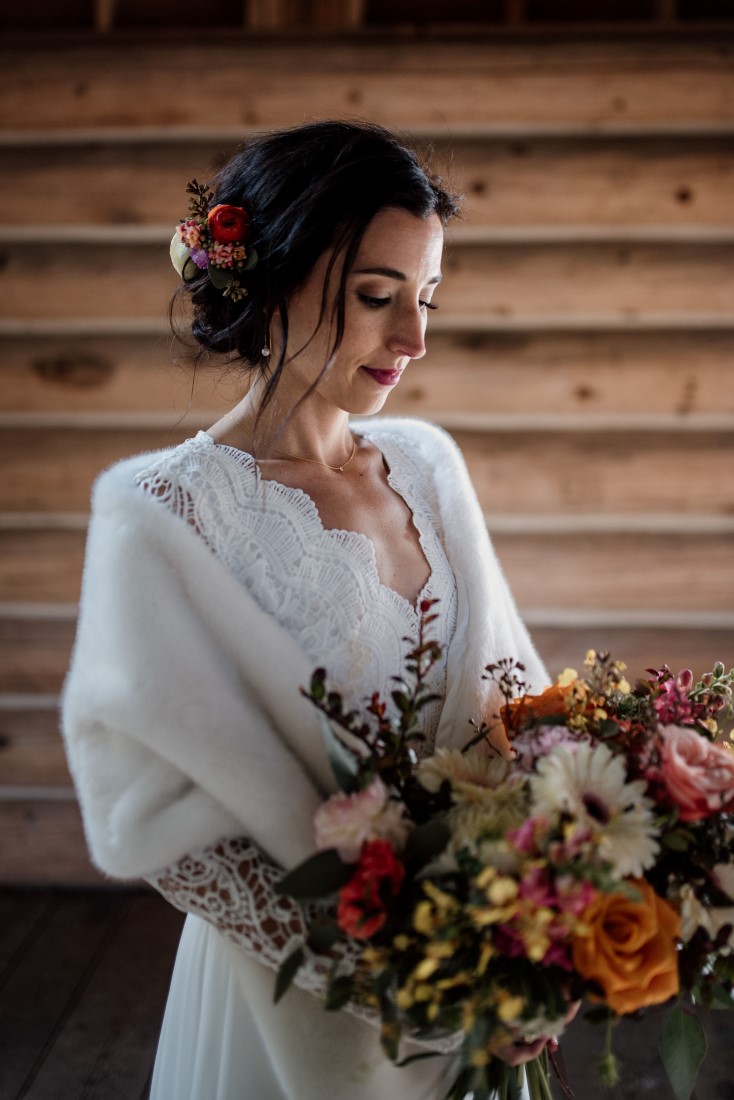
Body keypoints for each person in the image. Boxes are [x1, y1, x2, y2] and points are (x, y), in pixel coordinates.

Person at [61, 121, 559, 1100]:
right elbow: (167, 818)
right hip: (283, 993)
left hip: (480, 956)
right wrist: (410, 975)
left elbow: (511, 703)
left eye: (424, 298)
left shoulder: (427, 465)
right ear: (276, 275)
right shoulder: (160, 512)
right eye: (377, 297)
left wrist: (539, 925)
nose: (412, 338)